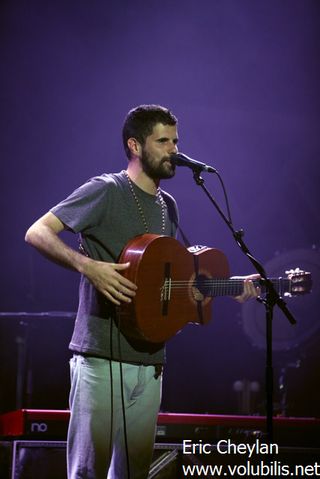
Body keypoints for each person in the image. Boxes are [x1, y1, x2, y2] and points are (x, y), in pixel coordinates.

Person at [25, 104, 259, 479]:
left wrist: (226, 290)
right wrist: (88, 266)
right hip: (101, 359)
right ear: (135, 146)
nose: (174, 151)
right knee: (88, 473)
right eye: (163, 141)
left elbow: (169, 282)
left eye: (176, 141)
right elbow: (37, 232)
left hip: (151, 364)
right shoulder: (105, 190)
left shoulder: (169, 206)